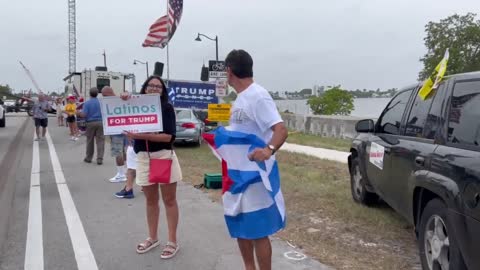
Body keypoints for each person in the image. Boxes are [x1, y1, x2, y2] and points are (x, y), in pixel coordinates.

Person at [224, 49, 288, 270]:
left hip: (255, 176)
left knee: (258, 231)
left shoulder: (258, 95)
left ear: (229, 71)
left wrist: (268, 149)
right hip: (237, 176)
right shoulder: (240, 99)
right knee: (241, 226)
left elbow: (280, 129)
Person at [123, 75, 182, 259]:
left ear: (162, 90)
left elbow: (168, 137)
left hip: (162, 156)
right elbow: (118, 110)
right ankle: (153, 237)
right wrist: (123, 97)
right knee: (150, 201)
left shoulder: (166, 108)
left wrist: (142, 136)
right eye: (151, 85)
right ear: (145, 88)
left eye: (158, 87)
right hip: (143, 158)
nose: (154, 89)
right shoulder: (134, 105)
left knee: (169, 200)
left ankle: (172, 241)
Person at [101, 87, 127, 182]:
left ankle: (121, 174)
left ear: (109, 93)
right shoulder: (120, 100)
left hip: (116, 131)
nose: (104, 97)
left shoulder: (111, 102)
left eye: (104, 95)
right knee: (123, 152)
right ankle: (125, 171)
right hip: (124, 130)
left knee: (118, 152)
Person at [77, 88, 105, 165]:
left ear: (89, 94)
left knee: (90, 141)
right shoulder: (101, 102)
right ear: (97, 94)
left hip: (90, 123)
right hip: (101, 122)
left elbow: (84, 115)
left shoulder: (87, 103)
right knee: (100, 141)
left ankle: (89, 158)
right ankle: (100, 158)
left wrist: (78, 113)